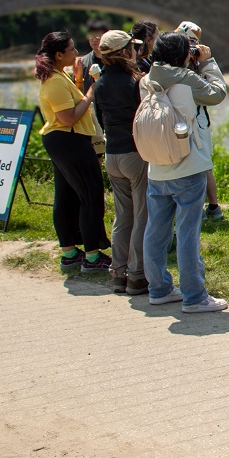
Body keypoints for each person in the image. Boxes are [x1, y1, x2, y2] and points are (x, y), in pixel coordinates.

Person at [141, 32, 229, 312]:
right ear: (182, 54)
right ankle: (194, 296)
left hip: (157, 166)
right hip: (188, 165)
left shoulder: (146, 80)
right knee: (188, 233)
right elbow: (217, 94)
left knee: (155, 231)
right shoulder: (186, 78)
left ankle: (159, 288)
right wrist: (208, 63)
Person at [34, 31, 111, 272]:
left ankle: (69, 253)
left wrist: (79, 81)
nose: (76, 53)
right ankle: (92, 256)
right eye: (71, 49)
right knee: (91, 195)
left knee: (66, 196)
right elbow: (68, 118)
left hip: (63, 141)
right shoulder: (55, 81)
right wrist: (91, 92)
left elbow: (70, 104)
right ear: (58, 55)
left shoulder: (58, 75)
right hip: (69, 140)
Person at [92, 30, 150, 296]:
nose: (136, 51)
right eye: (132, 48)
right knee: (142, 215)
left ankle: (118, 273)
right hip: (134, 154)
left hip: (112, 155)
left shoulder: (100, 84)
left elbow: (100, 118)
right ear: (125, 52)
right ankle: (137, 275)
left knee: (122, 216)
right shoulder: (134, 81)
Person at [176, 20, 223, 221]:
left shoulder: (193, 61)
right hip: (189, 117)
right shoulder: (181, 61)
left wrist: (203, 62)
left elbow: (215, 93)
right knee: (200, 164)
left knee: (202, 164)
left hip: (197, 116)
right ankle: (209, 208)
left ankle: (210, 207)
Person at [74, 19, 109, 93]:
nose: (94, 39)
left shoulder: (114, 60)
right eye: (92, 35)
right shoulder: (82, 63)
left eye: (98, 35)